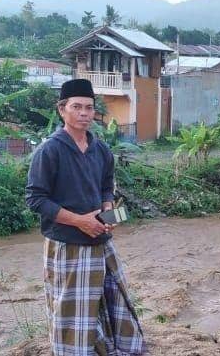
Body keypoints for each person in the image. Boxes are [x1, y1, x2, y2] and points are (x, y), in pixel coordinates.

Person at [26, 78, 146, 356]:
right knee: (71, 309)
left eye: (89, 108)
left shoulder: (100, 149)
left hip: (101, 241)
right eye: (77, 107)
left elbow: (106, 185)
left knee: (113, 299)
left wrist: (108, 210)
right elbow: (35, 199)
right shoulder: (50, 150)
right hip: (67, 246)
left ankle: (115, 349)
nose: (84, 113)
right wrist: (80, 221)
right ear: (62, 110)